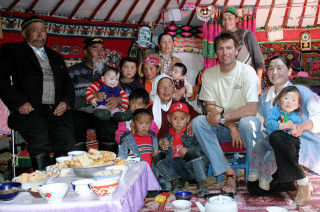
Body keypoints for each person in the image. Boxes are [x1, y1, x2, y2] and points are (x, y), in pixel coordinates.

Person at [0, 16, 75, 170]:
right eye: (35, 31)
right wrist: (18, 102)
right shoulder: (14, 51)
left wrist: (66, 102)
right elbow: (2, 80)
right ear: (24, 34)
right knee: (40, 141)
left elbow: (68, 84)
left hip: (55, 110)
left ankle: (61, 179)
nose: (40, 34)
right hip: (31, 110)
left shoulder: (55, 57)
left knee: (67, 140)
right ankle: (43, 182)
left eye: (43, 30)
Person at [192, 31, 260, 194]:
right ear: (216, 53)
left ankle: (254, 176)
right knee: (198, 122)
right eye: (221, 49)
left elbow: (252, 108)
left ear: (237, 50)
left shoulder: (248, 72)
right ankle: (229, 173)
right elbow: (210, 110)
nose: (225, 52)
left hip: (246, 128)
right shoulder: (209, 74)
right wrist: (229, 124)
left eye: (229, 48)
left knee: (247, 122)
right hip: (223, 127)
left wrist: (224, 117)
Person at [248, 55, 320, 206]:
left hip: (300, 141)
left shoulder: (301, 92)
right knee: (254, 188)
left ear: (289, 71)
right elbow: (263, 125)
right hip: (276, 150)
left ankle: (303, 182)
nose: (274, 72)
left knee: (277, 136)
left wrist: (302, 126)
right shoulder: (266, 98)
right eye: (270, 68)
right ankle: (292, 181)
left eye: (279, 68)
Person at [68, 37, 121, 153]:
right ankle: (80, 162)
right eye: (95, 49)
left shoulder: (111, 72)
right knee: (73, 125)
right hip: (81, 112)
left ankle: (107, 164)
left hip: (104, 111)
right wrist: (89, 99)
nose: (100, 53)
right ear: (85, 52)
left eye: (102, 49)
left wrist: (118, 101)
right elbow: (68, 99)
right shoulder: (73, 72)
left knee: (109, 128)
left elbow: (121, 94)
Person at [248, 86, 302, 191]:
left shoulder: (296, 118)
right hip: (268, 139)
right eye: (286, 98)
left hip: (279, 145)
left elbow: (296, 134)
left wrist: (294, 132)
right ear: (278, 100)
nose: (289, 102)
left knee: (273, 159)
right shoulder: (274, 110)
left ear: (297, 105)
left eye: (293, 100)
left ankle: (265, 177)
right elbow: (269, 123)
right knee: (257, 147)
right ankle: (254, 170)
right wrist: (282, 125)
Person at [153, 102, 209, 196]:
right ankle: (175, 182)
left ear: (188, 119)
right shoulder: (167, 137)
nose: (179, 122)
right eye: (175, 118)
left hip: (192, 171)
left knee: (193, 153)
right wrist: (160, 150)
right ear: (169, 118)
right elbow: (166, 158)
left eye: (182, 119)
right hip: (177, 172)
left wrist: (189, 150)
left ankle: (201, 184)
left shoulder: (192, 132)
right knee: (157, 156)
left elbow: (204, 149)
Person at [220, 7, 265, 94]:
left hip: (247, 80)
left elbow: (258, 60)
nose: (227, 21)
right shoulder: (222, 39)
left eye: (230, 18)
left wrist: (258, 83)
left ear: (236, 19)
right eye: (224, 19)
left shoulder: (246, 35)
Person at [148, 74, 199, 140]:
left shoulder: (180, 104)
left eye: (169, 86)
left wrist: (193, 121)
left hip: (183, 145)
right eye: (162, 86)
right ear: (156, 90)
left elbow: (199, 118)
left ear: (173, 88)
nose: (166, 89)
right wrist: (159, 141)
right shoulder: (149, 111)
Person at [150, 32, 185, 100]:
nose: (167, 44)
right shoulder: (152, 58)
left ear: (172, 44)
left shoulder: (178, 61)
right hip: (155, 94)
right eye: (163, 42)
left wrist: (181, 90)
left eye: (169, 41)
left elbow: (184, 80)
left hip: (172, 95)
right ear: (159, 45)